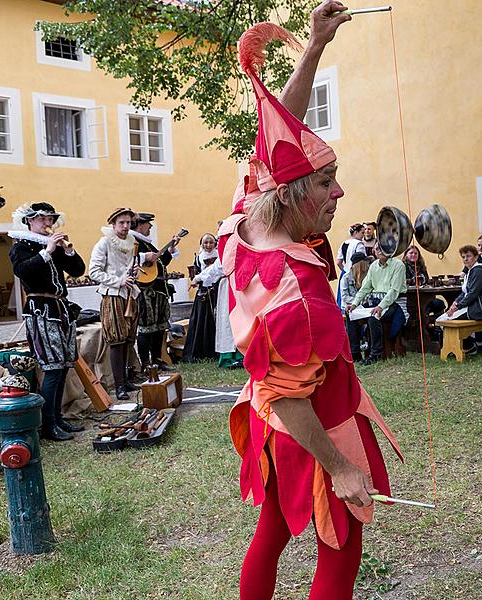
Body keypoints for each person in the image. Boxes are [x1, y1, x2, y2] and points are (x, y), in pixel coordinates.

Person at [222, 10, 401, 599]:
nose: (339, 194)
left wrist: (314, 47)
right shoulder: (294, 288)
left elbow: (282, 137)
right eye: (326, 183)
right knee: (339, 555)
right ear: (295, 195)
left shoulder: (244, 223)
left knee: (271, 532)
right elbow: (287, 391)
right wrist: (342, 467)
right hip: (316, 425)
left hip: (275, 428)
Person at [8, 203, 86, 441]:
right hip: (41, 310)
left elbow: (77, 270)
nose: (47, 223)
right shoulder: (21, 246)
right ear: (29, 221)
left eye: (50, 219)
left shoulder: (52, 245)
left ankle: (58, 418)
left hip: (60, 308)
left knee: (62, 367)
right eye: (42, 219)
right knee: (52, 369)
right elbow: (23, 271)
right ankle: (48, 425)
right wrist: (47, 251)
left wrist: (69, 251)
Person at [89, 208, 141, 401]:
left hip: (130, 295)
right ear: (113, 224)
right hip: (113, 295)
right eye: (122, 223)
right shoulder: (104, 242)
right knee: (117, 340)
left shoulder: (131, 242)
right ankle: (119, 385)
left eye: (128, 223)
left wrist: (134, 272)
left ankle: (126, 379)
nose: (126, 226)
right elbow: (94, 271)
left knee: (128, 339)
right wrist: (118, 281)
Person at [130, 213, 181, 373]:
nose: (151, 227)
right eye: (148, 224)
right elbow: (128, 259)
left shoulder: (147, 244)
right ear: (139, 225)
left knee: (160, 327)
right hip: (145, 291)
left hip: (159, 290)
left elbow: (160, 263)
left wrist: (170, 249)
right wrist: (144, 256)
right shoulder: (132, 242)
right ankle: (145, 362)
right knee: (146, 328)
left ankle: (157, 359)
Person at [346, 243, 408, 365]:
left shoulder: (398, 265)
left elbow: (394, 291)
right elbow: (365, 288)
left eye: (381, 248)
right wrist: (354, 304)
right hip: (375, 301)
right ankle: (355, 354)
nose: (378, 250)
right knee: (350, 314)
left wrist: (381, 306)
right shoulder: (374, 265)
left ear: (389, 250)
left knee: (373, 317)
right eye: (377, 248)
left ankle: (375, 354)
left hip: (394, 303)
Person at [183, 233, 220, 362]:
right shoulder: (199, 258)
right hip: (203, 293)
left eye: (211, 242)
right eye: (205, 243)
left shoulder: (220, 256)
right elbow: (196, 275)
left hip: (217, 292)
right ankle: (202, 352)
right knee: (201, 322)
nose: (208, 245)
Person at [335, 223, 365, 309]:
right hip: (357, 274)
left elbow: (338, 262)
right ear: (356, 232)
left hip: (345, 272)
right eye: (362, 233)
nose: (363, 235)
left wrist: (344, 271)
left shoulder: (344, 243)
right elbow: (361, 260)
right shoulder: (359, 244)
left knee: (343, 298)